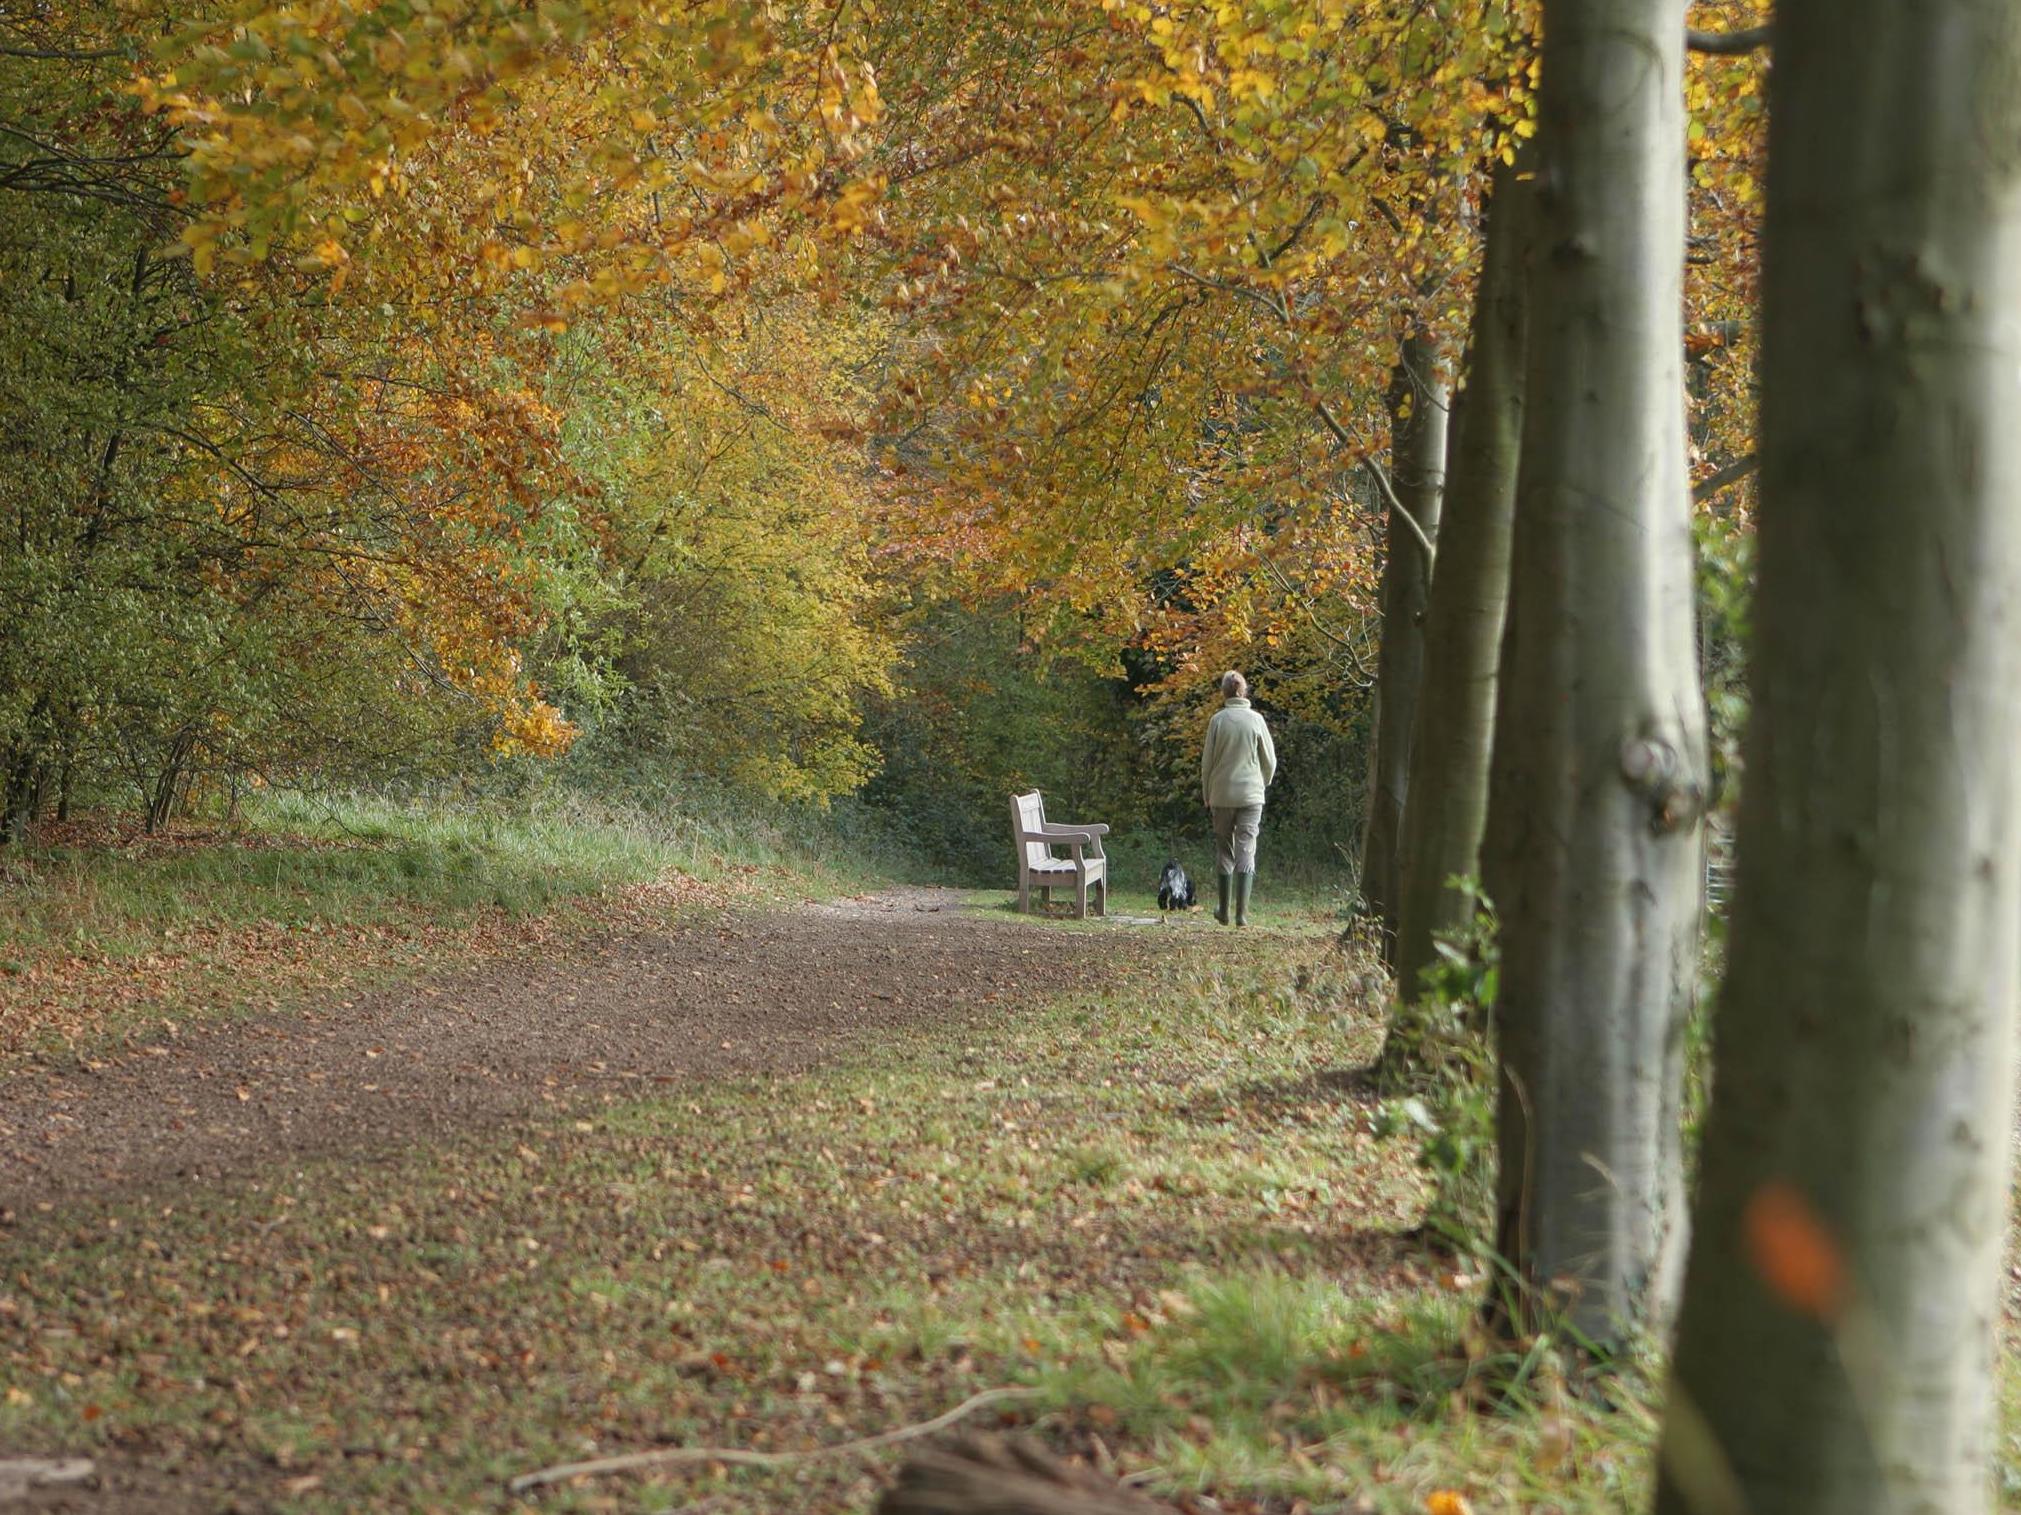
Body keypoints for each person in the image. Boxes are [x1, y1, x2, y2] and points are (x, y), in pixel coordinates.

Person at [1199, 669, 1276, 926]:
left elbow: (1207, 763)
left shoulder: (1217, 721)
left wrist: (1207, 793)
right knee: (1247, 848)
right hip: (1251, 796)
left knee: (1225, 850)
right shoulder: (1256, 720)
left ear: (1224, 691)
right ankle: (1242, 914)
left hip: (1221, 795)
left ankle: (1223, 910)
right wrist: (1261, 784)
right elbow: (1270, 761)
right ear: (1244, 691)